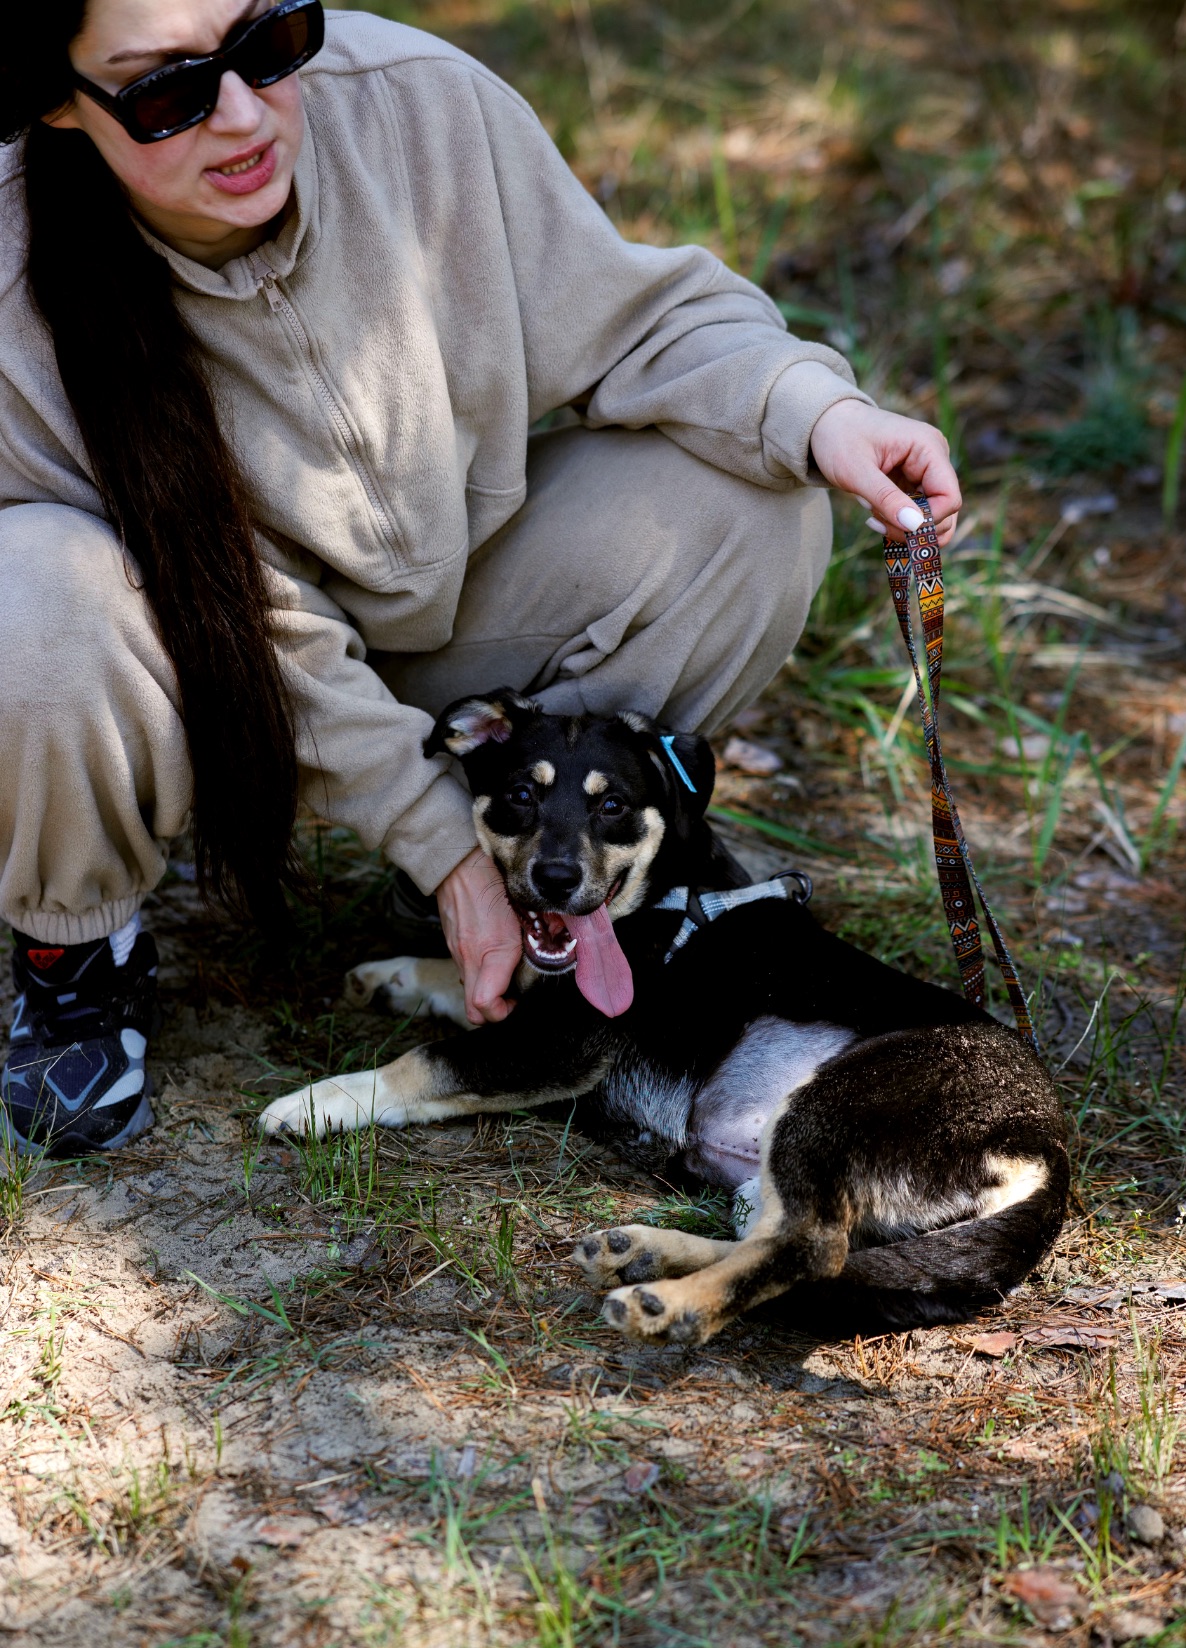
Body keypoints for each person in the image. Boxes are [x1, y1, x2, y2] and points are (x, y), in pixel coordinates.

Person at [0, 0, 962, 1155]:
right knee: (37, 590)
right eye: (167, 92)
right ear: (57, 102)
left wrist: (820, 414)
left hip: (453, 630)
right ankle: (76, 953)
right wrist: (431, 836)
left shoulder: (418, 102)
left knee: (748, 503)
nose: (245, 113)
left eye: (269, 42)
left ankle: (548, 858)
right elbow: (251, 623)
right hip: (196, 688)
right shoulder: (15, 286)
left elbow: (641, 322)